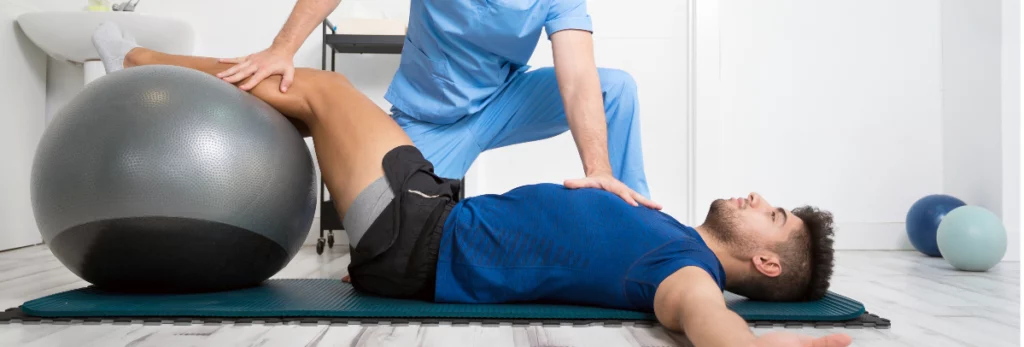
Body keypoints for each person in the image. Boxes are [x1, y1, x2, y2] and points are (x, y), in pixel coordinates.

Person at [93, 23, 851, 347]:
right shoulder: (668, 230)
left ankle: (145, 63)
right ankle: (157, 73)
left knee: (322, 93)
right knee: (309, 103)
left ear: (767, 264)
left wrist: (747, 341)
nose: (757, 196)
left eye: (773, 214)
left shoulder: (687, 273)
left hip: (422, 237)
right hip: (432, 213)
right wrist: (601, 175)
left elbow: (698, 318)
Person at [214, 0, 660, 210]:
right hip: (428, 121)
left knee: (613, 88)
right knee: (382, 243)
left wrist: (598, 170)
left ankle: (635, 222)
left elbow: (579, 77)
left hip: (504, 102)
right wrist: (282, 48)